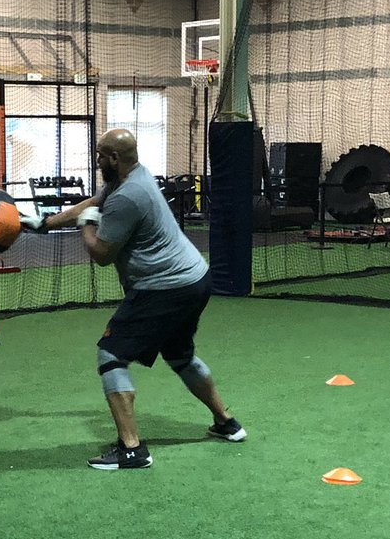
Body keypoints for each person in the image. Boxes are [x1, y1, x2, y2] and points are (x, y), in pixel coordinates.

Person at [24, 129, 246, 470]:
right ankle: (226, 423)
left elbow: (101, 253)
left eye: (100, 155)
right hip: (194, 279)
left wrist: (86, 225)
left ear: (114, 158)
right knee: (180, 354)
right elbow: (95, 202)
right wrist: (45, 223)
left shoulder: (128, 195)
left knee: (111, 354)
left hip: (165, 286)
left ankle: (132, 449)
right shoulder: (133, 175)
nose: (97, 160)